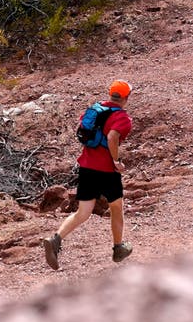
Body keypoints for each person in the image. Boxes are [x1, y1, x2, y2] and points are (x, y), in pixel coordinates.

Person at [44, 80, 134, 270]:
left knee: (83, 212)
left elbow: (84, 131)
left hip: (87, 167)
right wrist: (116, 161)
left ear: (111, 94)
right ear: (126, 98)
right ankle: (118, 248)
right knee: (117, 206)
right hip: (107, 171)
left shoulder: (96, 109)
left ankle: (56, 239)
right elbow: (112, 137)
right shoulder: (122, 118)